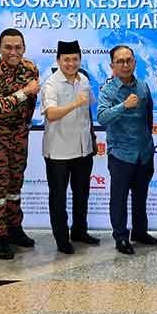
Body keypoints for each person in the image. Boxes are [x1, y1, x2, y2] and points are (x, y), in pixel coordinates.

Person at [0, 28, 40, 260]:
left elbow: (31, 104)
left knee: (15, 184)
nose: (13, 52)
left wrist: (23, 124)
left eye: (18, 47)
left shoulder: (31, 68)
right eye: (8, 47)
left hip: (19, 135)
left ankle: (14, 229)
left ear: (23, 48)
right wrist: (23, 92)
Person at [41, 40, 99, 254]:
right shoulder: (51, 84)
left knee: (82, 193)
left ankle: (79, 231)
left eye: (75, 59)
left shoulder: (83, 79)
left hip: (83, 149)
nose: (71, 63)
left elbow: (88, 112)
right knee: (58, 197)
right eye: (66, 59)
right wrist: (75, 103)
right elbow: (51, 114)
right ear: (58, 60)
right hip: (58, 151)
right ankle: (62, 239)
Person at [97, 45, 157, 255]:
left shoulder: (143, 86)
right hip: (121, 153)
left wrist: (149, 142)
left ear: (134, 63)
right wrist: (123, 105)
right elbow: (102, 118)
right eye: (120, 61)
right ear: (112, 65)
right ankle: (121, 237)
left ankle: (140, 231)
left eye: (129, 60)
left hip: (144, 152)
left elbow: (148, 116)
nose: (125, 65)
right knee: (119, 198)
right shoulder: (107, 90)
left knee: (141, 196)